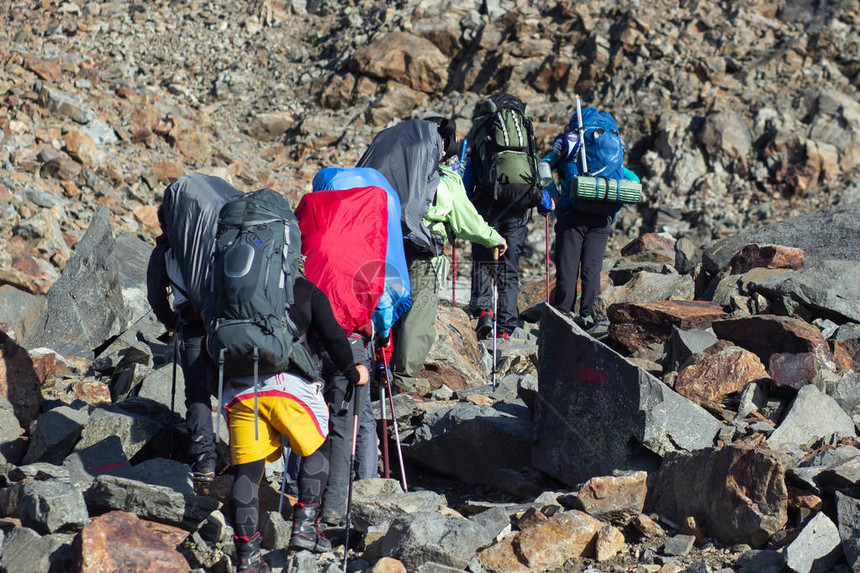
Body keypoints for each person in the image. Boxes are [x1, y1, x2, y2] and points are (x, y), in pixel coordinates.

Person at [224, 275, 369, 571]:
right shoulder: (303, 288)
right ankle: (304, 528)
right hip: (290, 386)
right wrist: (354, 373)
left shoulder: (231, 284)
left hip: (240, 389)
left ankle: (248, 558)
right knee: (317, 444)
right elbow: (332, 336)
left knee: (248, 473)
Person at [391, 118, 507, 394]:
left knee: (390, 309)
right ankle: (402, 382)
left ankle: (380, 370)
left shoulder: (399, 172)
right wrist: (495, 237)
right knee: (417, 317)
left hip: (392, 250)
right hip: (424, 256)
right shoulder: (445, 181)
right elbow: (468, 222)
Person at [543, 109, 638, 329]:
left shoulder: (571, 144)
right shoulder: (609, 148)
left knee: (568, 267)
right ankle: (589, 316)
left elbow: (543, 165)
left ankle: (562, 314)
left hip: (571, 215)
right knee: (592, 270)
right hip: (601, 218)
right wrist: (614, 204)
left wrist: (552, 195)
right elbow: (633, 180)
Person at [146, 210, 218, 485]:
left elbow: (155, 296)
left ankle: (204, 460)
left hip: (191, 326)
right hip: (225, 323)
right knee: (234, 387)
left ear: (163, 224)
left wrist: (170, 322)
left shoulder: (164, 251)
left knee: (197, 393)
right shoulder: (211, 240)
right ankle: (245, 457)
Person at [464, 94, 543, 340]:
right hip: (518, 207)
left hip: (487, 205)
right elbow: (536, 169)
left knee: (483, 261)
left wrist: (464, 204)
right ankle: (507, 326)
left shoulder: (482, 132)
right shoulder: (525, 132)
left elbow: (470, 173)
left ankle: (483, 313)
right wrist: (545, 202)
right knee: (508, 268)